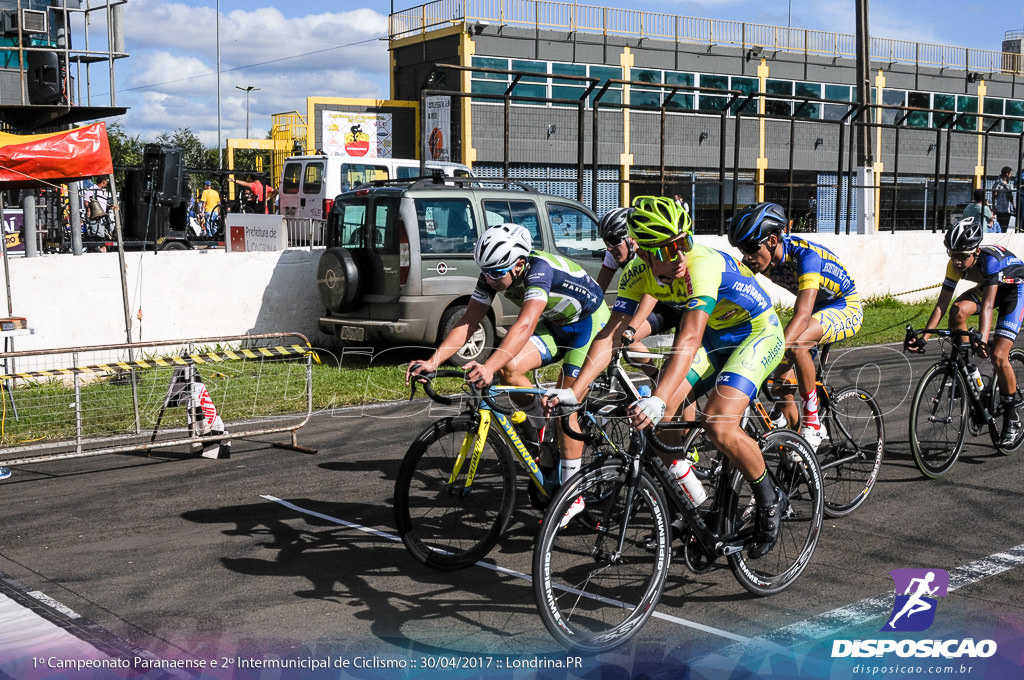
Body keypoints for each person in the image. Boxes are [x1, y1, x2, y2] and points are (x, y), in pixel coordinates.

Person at [545, 196, 787, 558]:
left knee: (718, 424)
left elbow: (688, 339)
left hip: (755, 333)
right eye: (667, 249)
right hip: (716, 338)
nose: (678, 256)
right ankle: (691, 502)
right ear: (644, 253)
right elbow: (610, 335)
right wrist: (574, 392)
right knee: (656, 426)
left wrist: (658, 398)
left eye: (682, 243)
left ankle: (770, 500)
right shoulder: (635, 273)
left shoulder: (700, 264)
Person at [406, 223, 610, 490]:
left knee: (565, 407)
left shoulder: (540, 270)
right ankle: (541, 426)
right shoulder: (494, 273)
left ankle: (572, 494)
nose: (489, 279)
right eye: (484, 272)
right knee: (509, 368)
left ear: (518, 265)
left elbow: (525, 325)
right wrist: (433, 361)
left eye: (495, 273)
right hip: (557, 324)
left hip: (589, 325)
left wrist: (488, 366)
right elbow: (469, 321)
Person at [727, 202, 862, 450]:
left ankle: (812, 423)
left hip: (844, 305)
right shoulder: (759, 259)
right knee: (779, 382)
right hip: (816, 312)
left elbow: (802, 315)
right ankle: (797, 442)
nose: (745, 256)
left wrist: (773, 350)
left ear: (772, 240)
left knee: (797, 345)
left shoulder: (806, 256)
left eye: (749, 248)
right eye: (741, 249)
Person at [905, 217, 1024, 446]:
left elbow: (988, 305)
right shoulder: (954, 264)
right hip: (991, 289)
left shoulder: (989, 262)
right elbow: (942, 304)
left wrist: (983, 336)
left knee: (999, 356)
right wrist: (925, 338)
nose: (957, 261)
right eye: (953, 255)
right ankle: (968, 372)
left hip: (1014, 292)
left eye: (962, 256)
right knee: (957, 311)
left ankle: (1011, 417)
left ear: (976, 251)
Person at [992, 166, 1015, 233]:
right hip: (1000, 208)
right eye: (1010, 173)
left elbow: (1011, 195)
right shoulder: (998, 183)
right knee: (1000, 226)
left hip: (1007, 209)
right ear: (1007, 174)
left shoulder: (1009, 183)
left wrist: (1013, 205)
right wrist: (994, 206)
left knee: (1005, 226)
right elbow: (994, 195)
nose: (1011, 175)